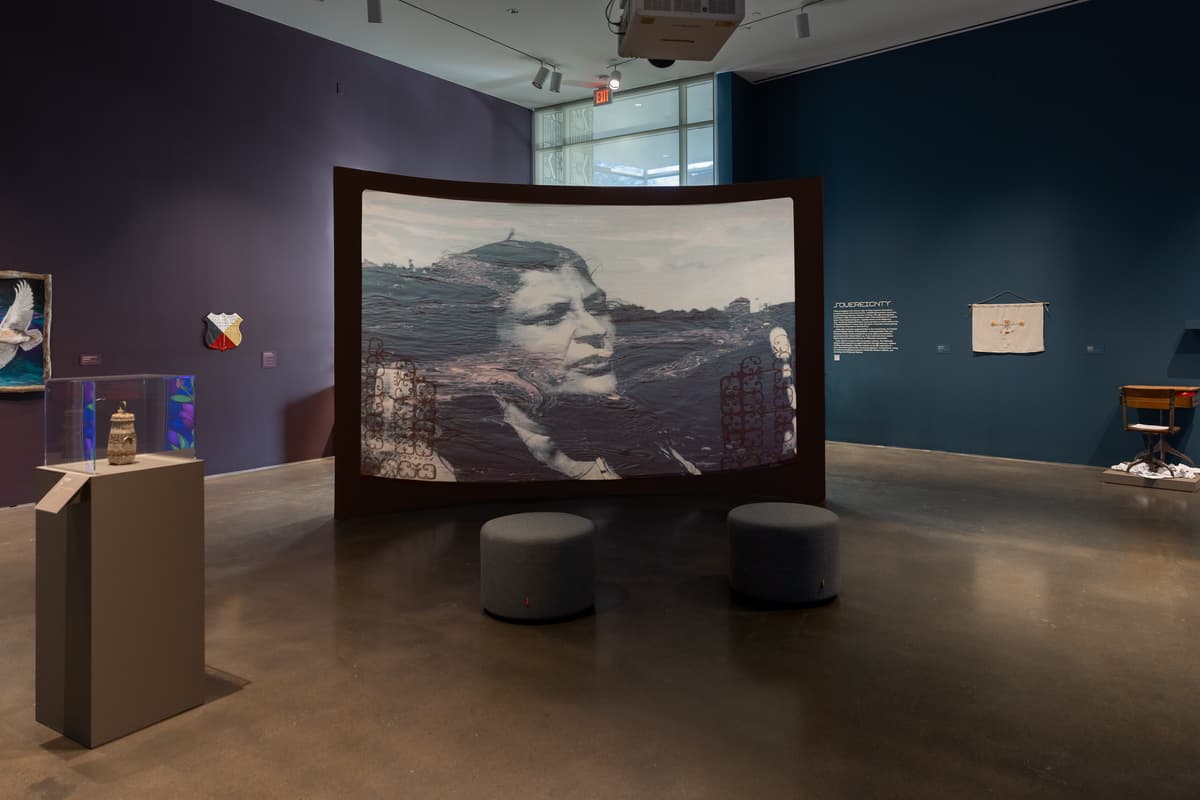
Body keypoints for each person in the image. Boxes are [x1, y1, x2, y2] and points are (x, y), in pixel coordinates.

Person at [363, 235, 699, 482]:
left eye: (597, 307)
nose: (596, 328)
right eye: (549, 317)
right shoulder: (441, 460)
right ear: (486, 343)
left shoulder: (642, 437)